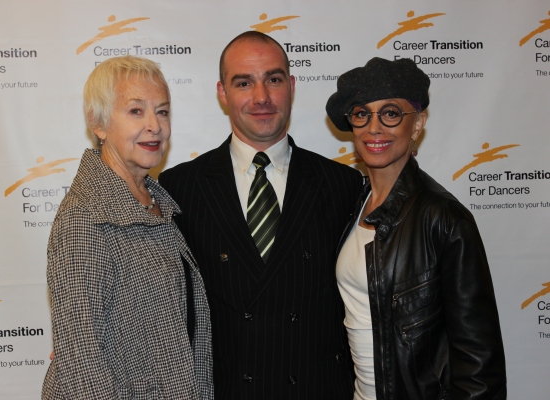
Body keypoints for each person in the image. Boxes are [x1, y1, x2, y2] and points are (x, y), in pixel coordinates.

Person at [159, 31, 363, 399]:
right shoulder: (180, 187)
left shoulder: (342, 184)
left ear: (292, 85)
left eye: (273, 79)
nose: (262, 98)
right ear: (222, 93)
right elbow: (163, 299)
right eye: (244, 82)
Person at [326, 57, 507, 399]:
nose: (374, 128)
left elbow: (479, 363)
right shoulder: (354, 204)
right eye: (362, 114)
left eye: (391, 113)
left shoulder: (443, 217)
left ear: (418, 123)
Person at [42, 56, 213, 399]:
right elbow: (81, 367)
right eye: (136, 111)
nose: (155, 125)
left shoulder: (157, 202)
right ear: (99, 123)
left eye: (162, 111)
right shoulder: (86, 218)